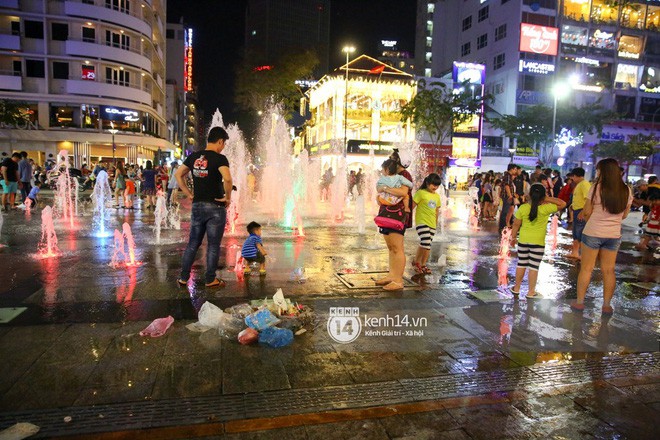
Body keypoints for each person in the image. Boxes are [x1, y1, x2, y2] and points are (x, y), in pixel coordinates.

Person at [571, 158, 633, 315]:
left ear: (603, 171)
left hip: (593, 232)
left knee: (586, 268)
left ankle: (579, 302)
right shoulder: (626, 190)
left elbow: (586, 212)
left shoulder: (596, 188)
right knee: (609, 270)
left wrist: (592, 218)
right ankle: (606, 305)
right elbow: (624, 214)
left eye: (598, 170)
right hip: (613, 235)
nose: (597, 173)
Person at [176, 127, 232, 288]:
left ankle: (183, 277)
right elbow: (227, 179)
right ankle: (210, 279)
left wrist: (188, 193)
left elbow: (178, 174)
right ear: (220, 141)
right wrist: (228, 198)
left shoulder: (194, 157)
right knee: (213, 245)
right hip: (215, 206)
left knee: (193, 243)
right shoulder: (220, 158)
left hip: (198, 205)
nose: (223, 147)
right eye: (224, 144)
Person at [510, 184, 566, 298]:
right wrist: (546, 198)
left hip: (523, 241)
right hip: (538, 243)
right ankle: (531, 292)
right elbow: (563, 204)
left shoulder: (523, 208)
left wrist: (513, 237)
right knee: (534, 266)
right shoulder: (546, 208)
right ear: (543, 196)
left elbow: (516, 224)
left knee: (521, 264)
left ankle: (516, 288)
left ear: (530, 195)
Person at [374, 149, 413, 291]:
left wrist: (384, 188)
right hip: (388, 213)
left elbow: (403, 192)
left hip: (397, 215)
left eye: (392, 158)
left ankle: (398, 281)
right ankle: (392, 275)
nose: (389, 160)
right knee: (391, 247)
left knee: (397, 248)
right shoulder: (394, 175)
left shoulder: (404, 175)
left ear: (398, 161)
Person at [412, 173, 442, 274]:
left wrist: (436, 223)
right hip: (421, 222)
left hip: (432, 223)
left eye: (437, 185)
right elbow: (412, 206)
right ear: (427, 183)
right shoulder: (420, 193)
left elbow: (436, 211)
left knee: (424, 243)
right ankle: (423, 264)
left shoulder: (437, 196)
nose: (435, 187)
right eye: (433, 184)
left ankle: (416, 262)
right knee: (427, 243)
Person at [567, 167, 590, 260]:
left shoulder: (584, 184)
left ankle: (580, 254)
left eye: (573, 177)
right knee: (576, 233)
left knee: (580, 232)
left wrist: (583, 211)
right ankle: (575, 252)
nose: (572, 179)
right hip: (577, 210)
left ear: (576, 176)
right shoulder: (580, 184)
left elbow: (587, 200)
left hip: (581, 211)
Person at [498, 163, 518, 233]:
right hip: (507, 196)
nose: (515, 171)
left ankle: (507, 224)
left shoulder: (509, 176)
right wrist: (509, 195)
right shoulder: (508, 176)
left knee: (511, 209)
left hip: (509, 195)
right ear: (511, 169)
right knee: (505, 211)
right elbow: (507, 186)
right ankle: (503, 227)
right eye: (515, 169)